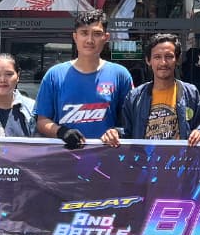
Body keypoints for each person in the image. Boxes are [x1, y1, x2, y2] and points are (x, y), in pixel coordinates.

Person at [34, 9, 134, 148]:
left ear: (106, 37)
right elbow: (41, 121)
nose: (90, 40)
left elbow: (130, 121)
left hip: (107, 157)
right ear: (75, 37)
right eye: (84, 33)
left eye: (97, 34)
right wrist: (61, 132)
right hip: (64, 156)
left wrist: (116, 132)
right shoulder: (54, 75)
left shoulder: (120, 75)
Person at [114, 32, 200, 142]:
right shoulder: (135, 97)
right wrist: (114, 134)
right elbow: (125, 132)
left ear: (177, 59)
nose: (163, 62)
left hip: (180, 154)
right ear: (148, 60)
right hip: (144, 154)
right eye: (157, 57)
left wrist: (199, 133)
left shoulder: (191, 93)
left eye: (169, 56)